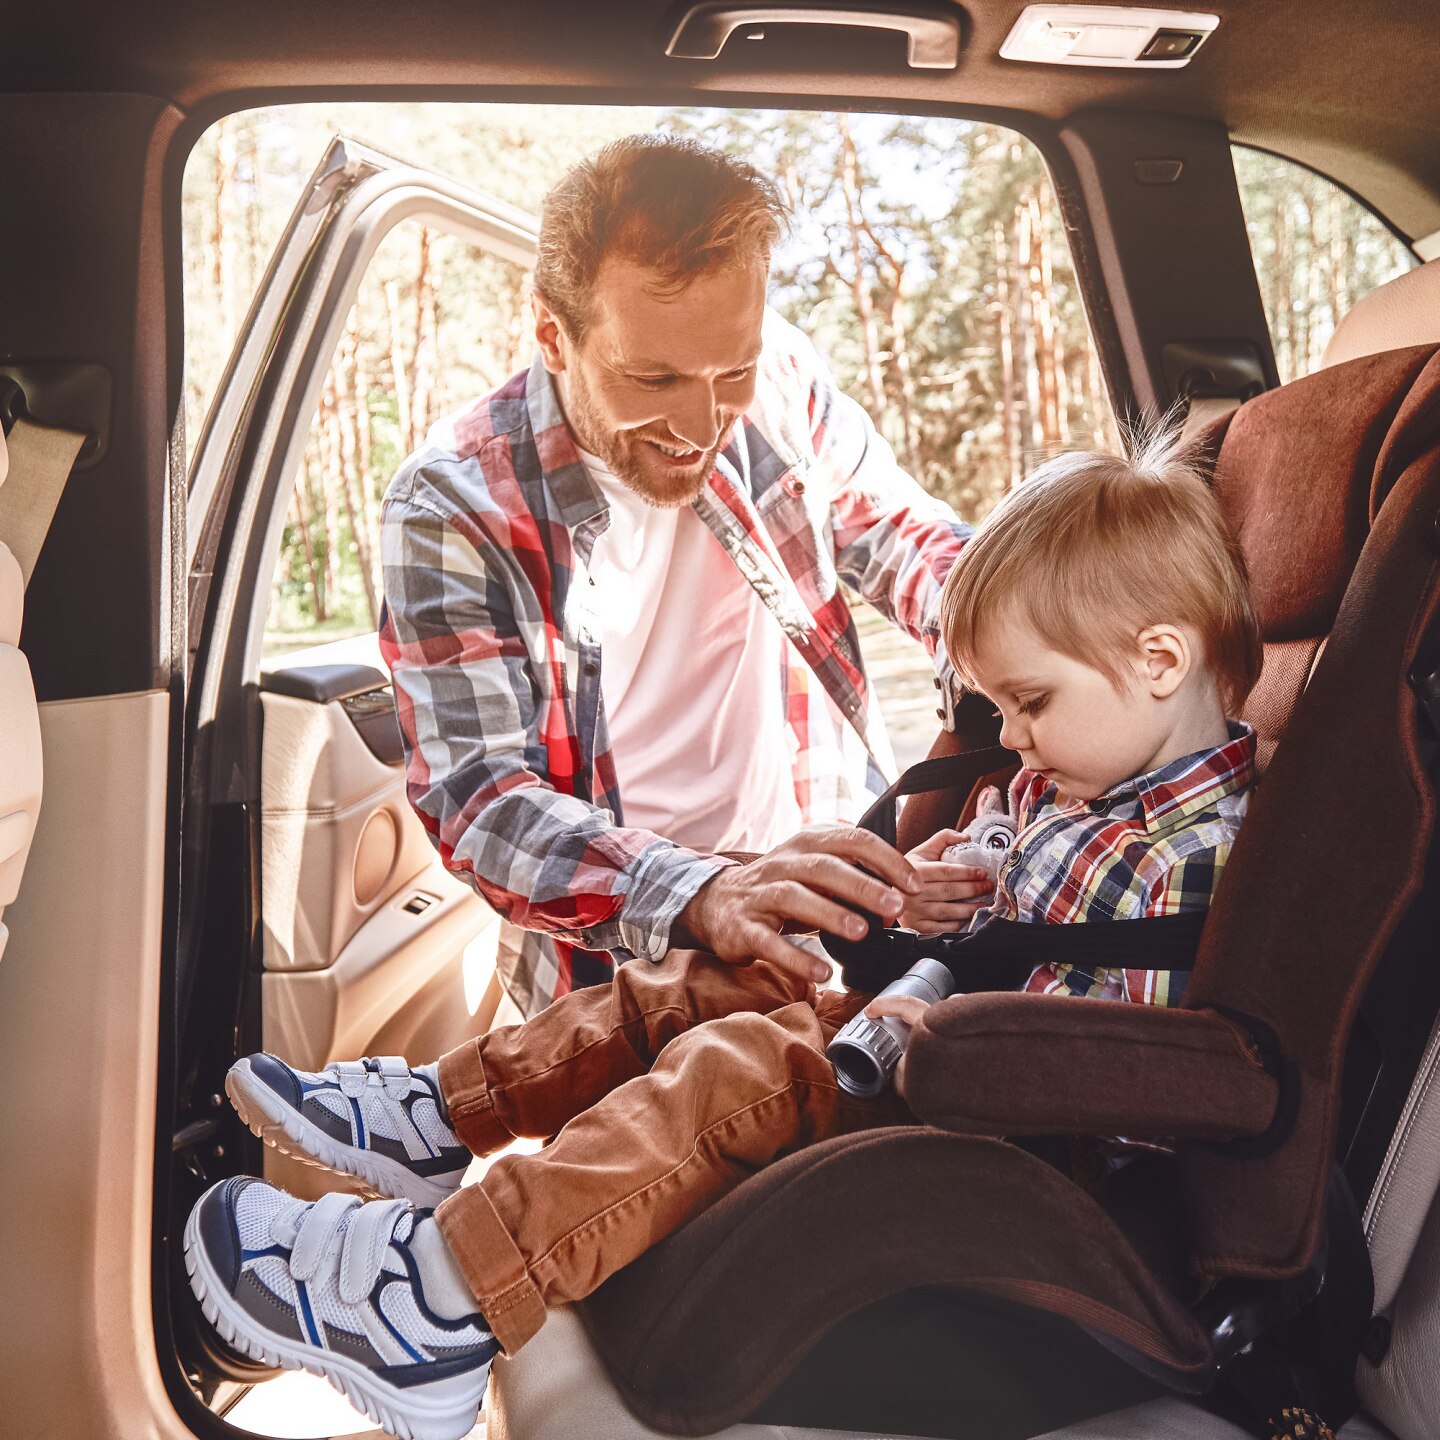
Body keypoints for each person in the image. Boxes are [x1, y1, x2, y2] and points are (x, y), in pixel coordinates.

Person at [184, 428, 1263, 1440]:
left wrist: (953, 993)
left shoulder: (1189, 852)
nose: (1012, 742)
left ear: (1162, 661)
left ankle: (440, 1296)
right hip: (925, 1021)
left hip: (1014, 1110)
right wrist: (949, 881)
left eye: (1030, 703)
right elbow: (1014, 859)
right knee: (705, 979)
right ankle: (444, 1113)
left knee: (737, 1065)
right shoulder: (1085, 783)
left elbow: (1104, 1045)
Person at [376, 133, 990, 1019]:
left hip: (833, 910)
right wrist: (703, 893)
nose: (702, 423)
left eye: (729, 368)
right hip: (618, 962)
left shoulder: (779, 382)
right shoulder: (450, 505)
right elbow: (479, 801)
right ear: (553, 332)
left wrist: (1011, 646)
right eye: (652, 375)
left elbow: (906, 537)